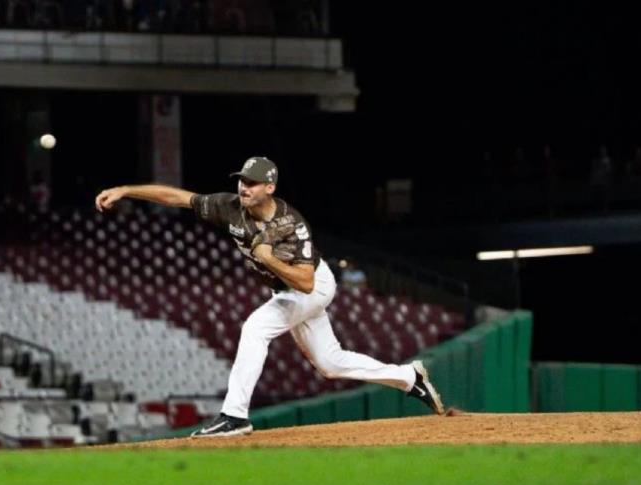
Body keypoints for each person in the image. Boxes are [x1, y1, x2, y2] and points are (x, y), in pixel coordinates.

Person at [95, 157, 445, 438]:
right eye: (241, 180)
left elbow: (306, 283)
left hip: (314, 286)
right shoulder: (229, 207)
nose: (243, 187)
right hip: (287, 291)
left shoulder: (291, 225)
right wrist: (126, 190)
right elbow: (178, 197)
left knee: (255, 327)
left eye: (251, 182)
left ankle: (234, 416)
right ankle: (409, 378)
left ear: (270, 187)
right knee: (330, 363)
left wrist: (269, 259)